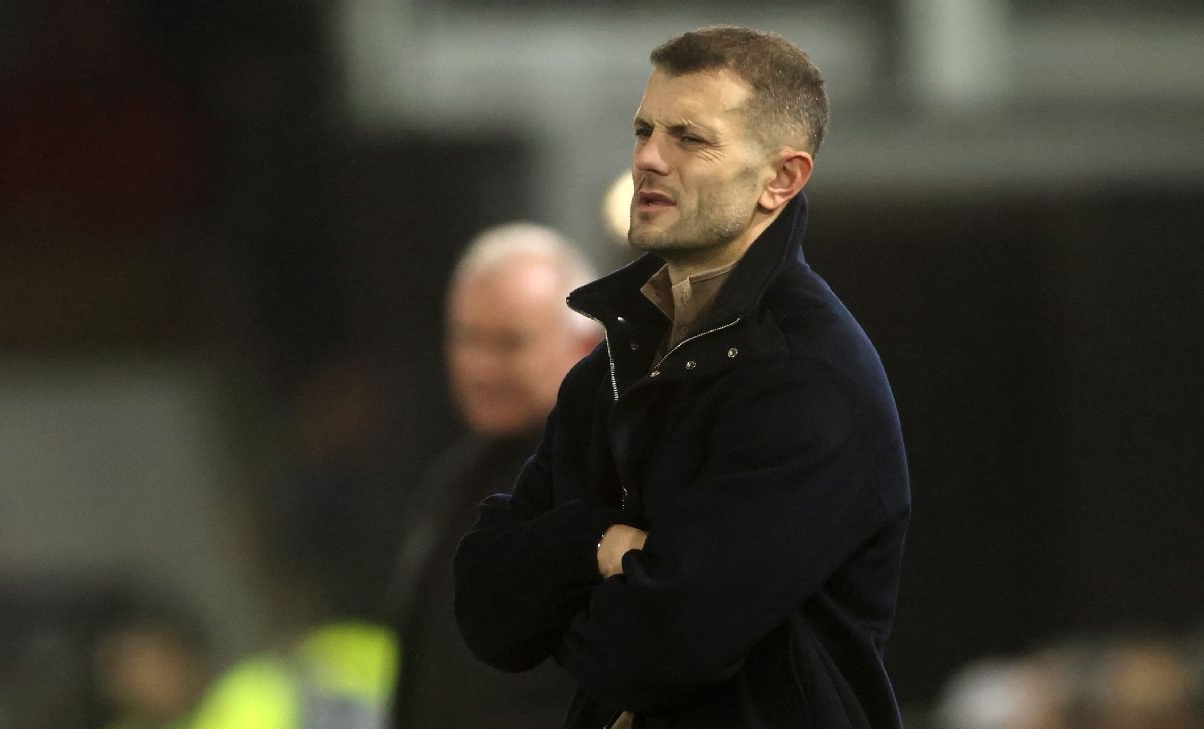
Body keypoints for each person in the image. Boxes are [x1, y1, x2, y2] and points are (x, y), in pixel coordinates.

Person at [453, 25, 910, 729]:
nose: (647, 159)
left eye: (690, 138)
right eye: (643, 129)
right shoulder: (610, 367)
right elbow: (487, 610)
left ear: (780, 179)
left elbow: (646, 649)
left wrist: (571, 585)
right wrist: (598, 543)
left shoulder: (811, 383)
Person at [388, 224, 603, 729]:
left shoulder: (617, 481)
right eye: (468, 338)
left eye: (510, 343)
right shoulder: (458, 477)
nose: (481, 368)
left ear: (586, 345)